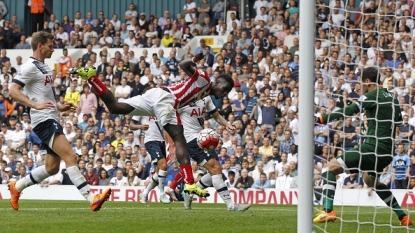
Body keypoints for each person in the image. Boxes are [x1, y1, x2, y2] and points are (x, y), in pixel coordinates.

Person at [75, 52, 234, 197]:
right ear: (217, 81)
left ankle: (92, 78)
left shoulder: (204, 94)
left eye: (227, 92)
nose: (224, 93)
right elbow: (183, 65)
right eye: (224, 88)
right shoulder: (204, 79)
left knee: (115, 107)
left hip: (155, 95)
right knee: (180, 139)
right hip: (166, 100)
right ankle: (190, 184)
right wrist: (194, 60)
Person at [8, 31, 111, 212]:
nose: (53, 49)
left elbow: (44, 94)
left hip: (51, 116)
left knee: (52, 168)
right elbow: (13, 91)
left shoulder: (44, 67)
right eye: (50, 45)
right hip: (43, 120)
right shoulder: (29, 66)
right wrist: (34, 105)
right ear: (40, 46)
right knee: (71, 156)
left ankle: (16, 187)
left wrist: (59, 107)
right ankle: (91, 197)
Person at [313, 67, 412, 225]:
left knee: (329, 169)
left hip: (373, 148)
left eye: (361, 81)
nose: (360, 84)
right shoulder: (392, 98)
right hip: (387, 152)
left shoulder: (370, 96)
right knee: (370, 181)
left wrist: (322, 119)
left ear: (367, 81)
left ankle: (328, 210)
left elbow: (350, 111)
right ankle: (403, 216)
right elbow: (397, 124)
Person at [164, 95, 251, 211]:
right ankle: (231, 205)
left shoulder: (206, 98)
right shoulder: (182, 99)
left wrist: (227, 125)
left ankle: (190, 192)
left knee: (215, 171)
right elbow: (168, 122)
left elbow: (216, 115)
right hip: (190, 140)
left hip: (202, 138)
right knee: (215, 169)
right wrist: (172, 145)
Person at [129, 113, 170, 204]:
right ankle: (162, 194)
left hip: (162, 141)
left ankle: (145, 192)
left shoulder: (159, 107)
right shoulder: (143, 107)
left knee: (159, 171)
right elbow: (131, 125)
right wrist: (140, 126)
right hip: (150, 141)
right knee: (164, 165)